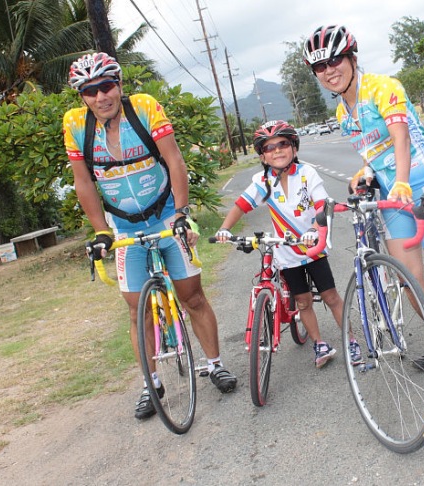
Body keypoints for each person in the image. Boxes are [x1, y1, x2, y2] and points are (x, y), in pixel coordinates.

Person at [303, 25, 424, 394]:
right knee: (407, 278)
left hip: (423, 184)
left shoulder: (383, 87)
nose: (329, 70)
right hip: (391, 194)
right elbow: (372, 154)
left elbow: (400, 137)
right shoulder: (342, 113)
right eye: (319, 67)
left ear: (352, 57)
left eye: (335, 60)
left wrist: (401, 180)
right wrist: (366, 174)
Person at [63, 52, 237, 420]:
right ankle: (151, 383)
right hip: (124, 226)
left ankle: (215, 363)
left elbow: (174, 160)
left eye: (106, 86)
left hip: (164, 217)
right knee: (135, 310)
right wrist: (100, 230)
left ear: (119, 85)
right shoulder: (76, 124)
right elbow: (83, 181)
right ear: (81, 96)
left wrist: (180, 213)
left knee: (193, 297)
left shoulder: (144, 107)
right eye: (89, 91)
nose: (99, 97)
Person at [214, 120, 362, 368]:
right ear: (262, 156)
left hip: (313, 248)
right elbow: (242, 204)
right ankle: (319, 344)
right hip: (287, 252)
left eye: (283, 144)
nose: (277, 151)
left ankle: (351, 340)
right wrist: (224, 229)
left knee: (330, 296)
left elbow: (321, 206)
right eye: (269, 148)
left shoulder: (307, 174)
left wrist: (315, 229)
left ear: (294, 148)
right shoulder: (262, 181)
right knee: (303, 301)